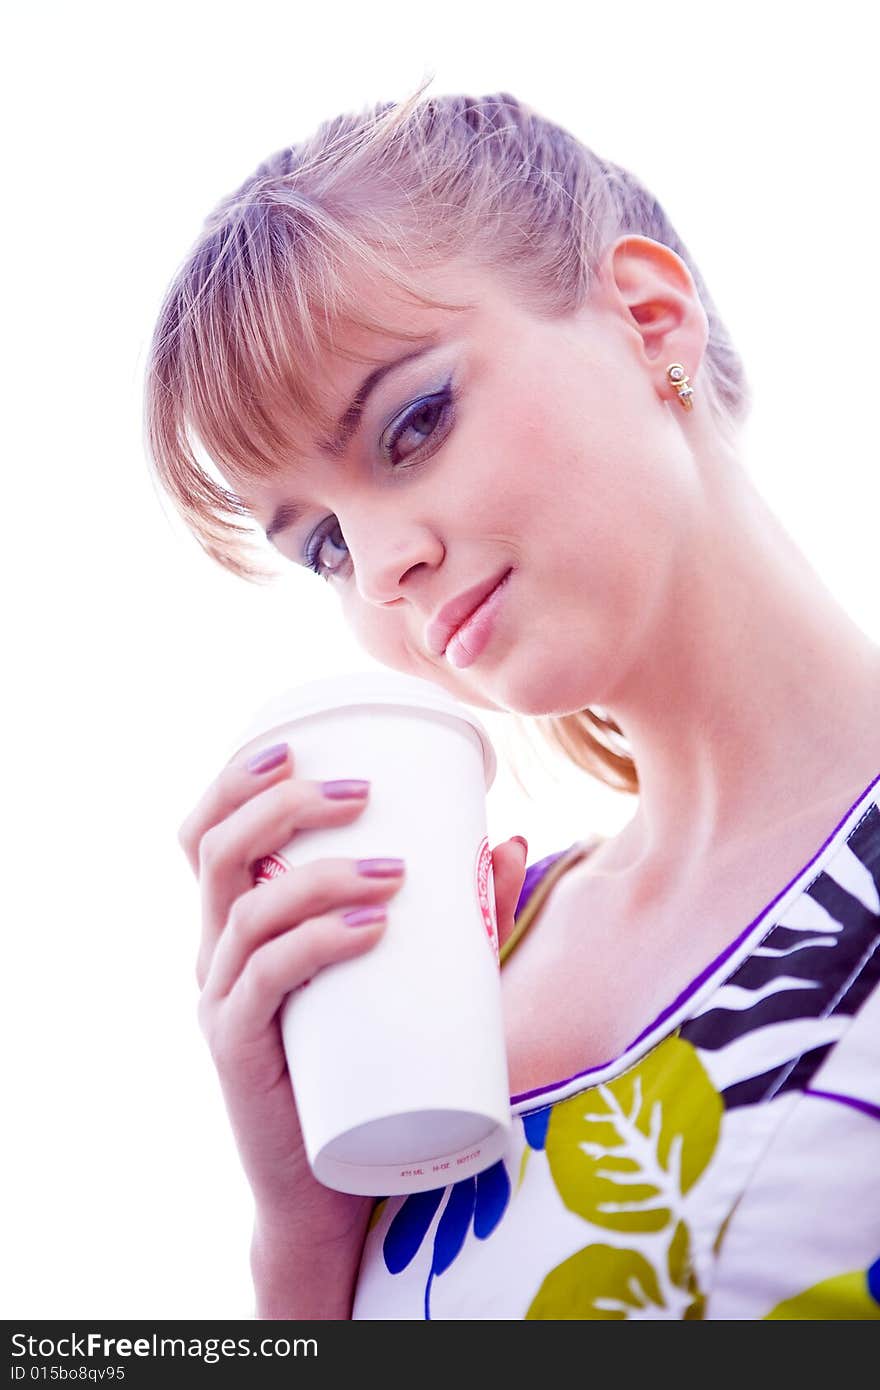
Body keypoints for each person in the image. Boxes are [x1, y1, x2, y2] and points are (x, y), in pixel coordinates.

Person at [144, 83, 880, 1320]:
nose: (378, 571)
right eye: (322, 546)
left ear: (650, 319)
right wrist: (303, 1234)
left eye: (412, 423)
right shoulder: (463, 973)